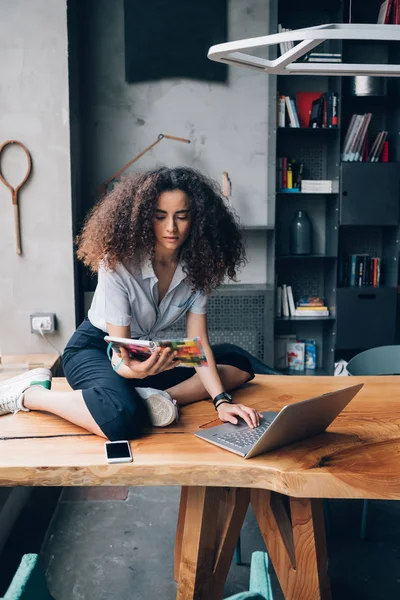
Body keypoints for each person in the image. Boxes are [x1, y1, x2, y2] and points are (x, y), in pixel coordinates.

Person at [0, 167, 262, 440]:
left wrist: (222, 401)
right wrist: (134, 373)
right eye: (160, 217)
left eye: (181, 217)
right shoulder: (118, 263)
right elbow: (119, 354)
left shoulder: (201, 266)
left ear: (197, 219)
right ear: (144, 218)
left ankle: (155, 399)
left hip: (145, 355)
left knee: (238, 362)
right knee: (120, 422)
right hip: (98, 350)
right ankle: (32, 394)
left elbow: (198, 342)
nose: (171, 227)